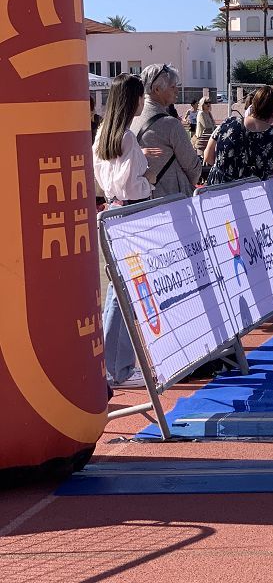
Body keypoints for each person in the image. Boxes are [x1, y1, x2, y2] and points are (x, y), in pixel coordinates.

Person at [94, 74, 164, 388]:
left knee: (118, 291)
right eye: (140, 96)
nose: (142, 102)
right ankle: (118, 367)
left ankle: (117, 365)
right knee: (123, 292)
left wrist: (139, 163)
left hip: (112, 209)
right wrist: (148, 175)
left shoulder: (104, 135)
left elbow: (113, 174)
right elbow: (130, 183)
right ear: (131, 99)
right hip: (130, 211)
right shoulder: (127, 137)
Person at [133, 64, 203, 198]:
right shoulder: (170, 124)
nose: (177, 91)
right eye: (173, 87)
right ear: (157, 89)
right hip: (172, 200)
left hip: (141, 200)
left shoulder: (132, 119)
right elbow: (193, 168)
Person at [204, 85, 273, 185]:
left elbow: (208, 156)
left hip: (219, 190)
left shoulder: (228, 122)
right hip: (253, 195)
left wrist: (226, 172)